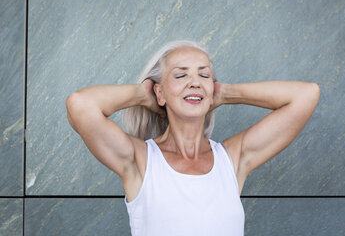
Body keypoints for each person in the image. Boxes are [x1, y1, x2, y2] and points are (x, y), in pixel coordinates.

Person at [66, 40, 320, 236]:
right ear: (160, 92)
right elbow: (80, 105)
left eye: (204, 75)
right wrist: (142, 95)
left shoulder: (232, 160)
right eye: (181, 75)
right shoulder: (140, 161)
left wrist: (226, 93)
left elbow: (306, 95)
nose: (195, 82)